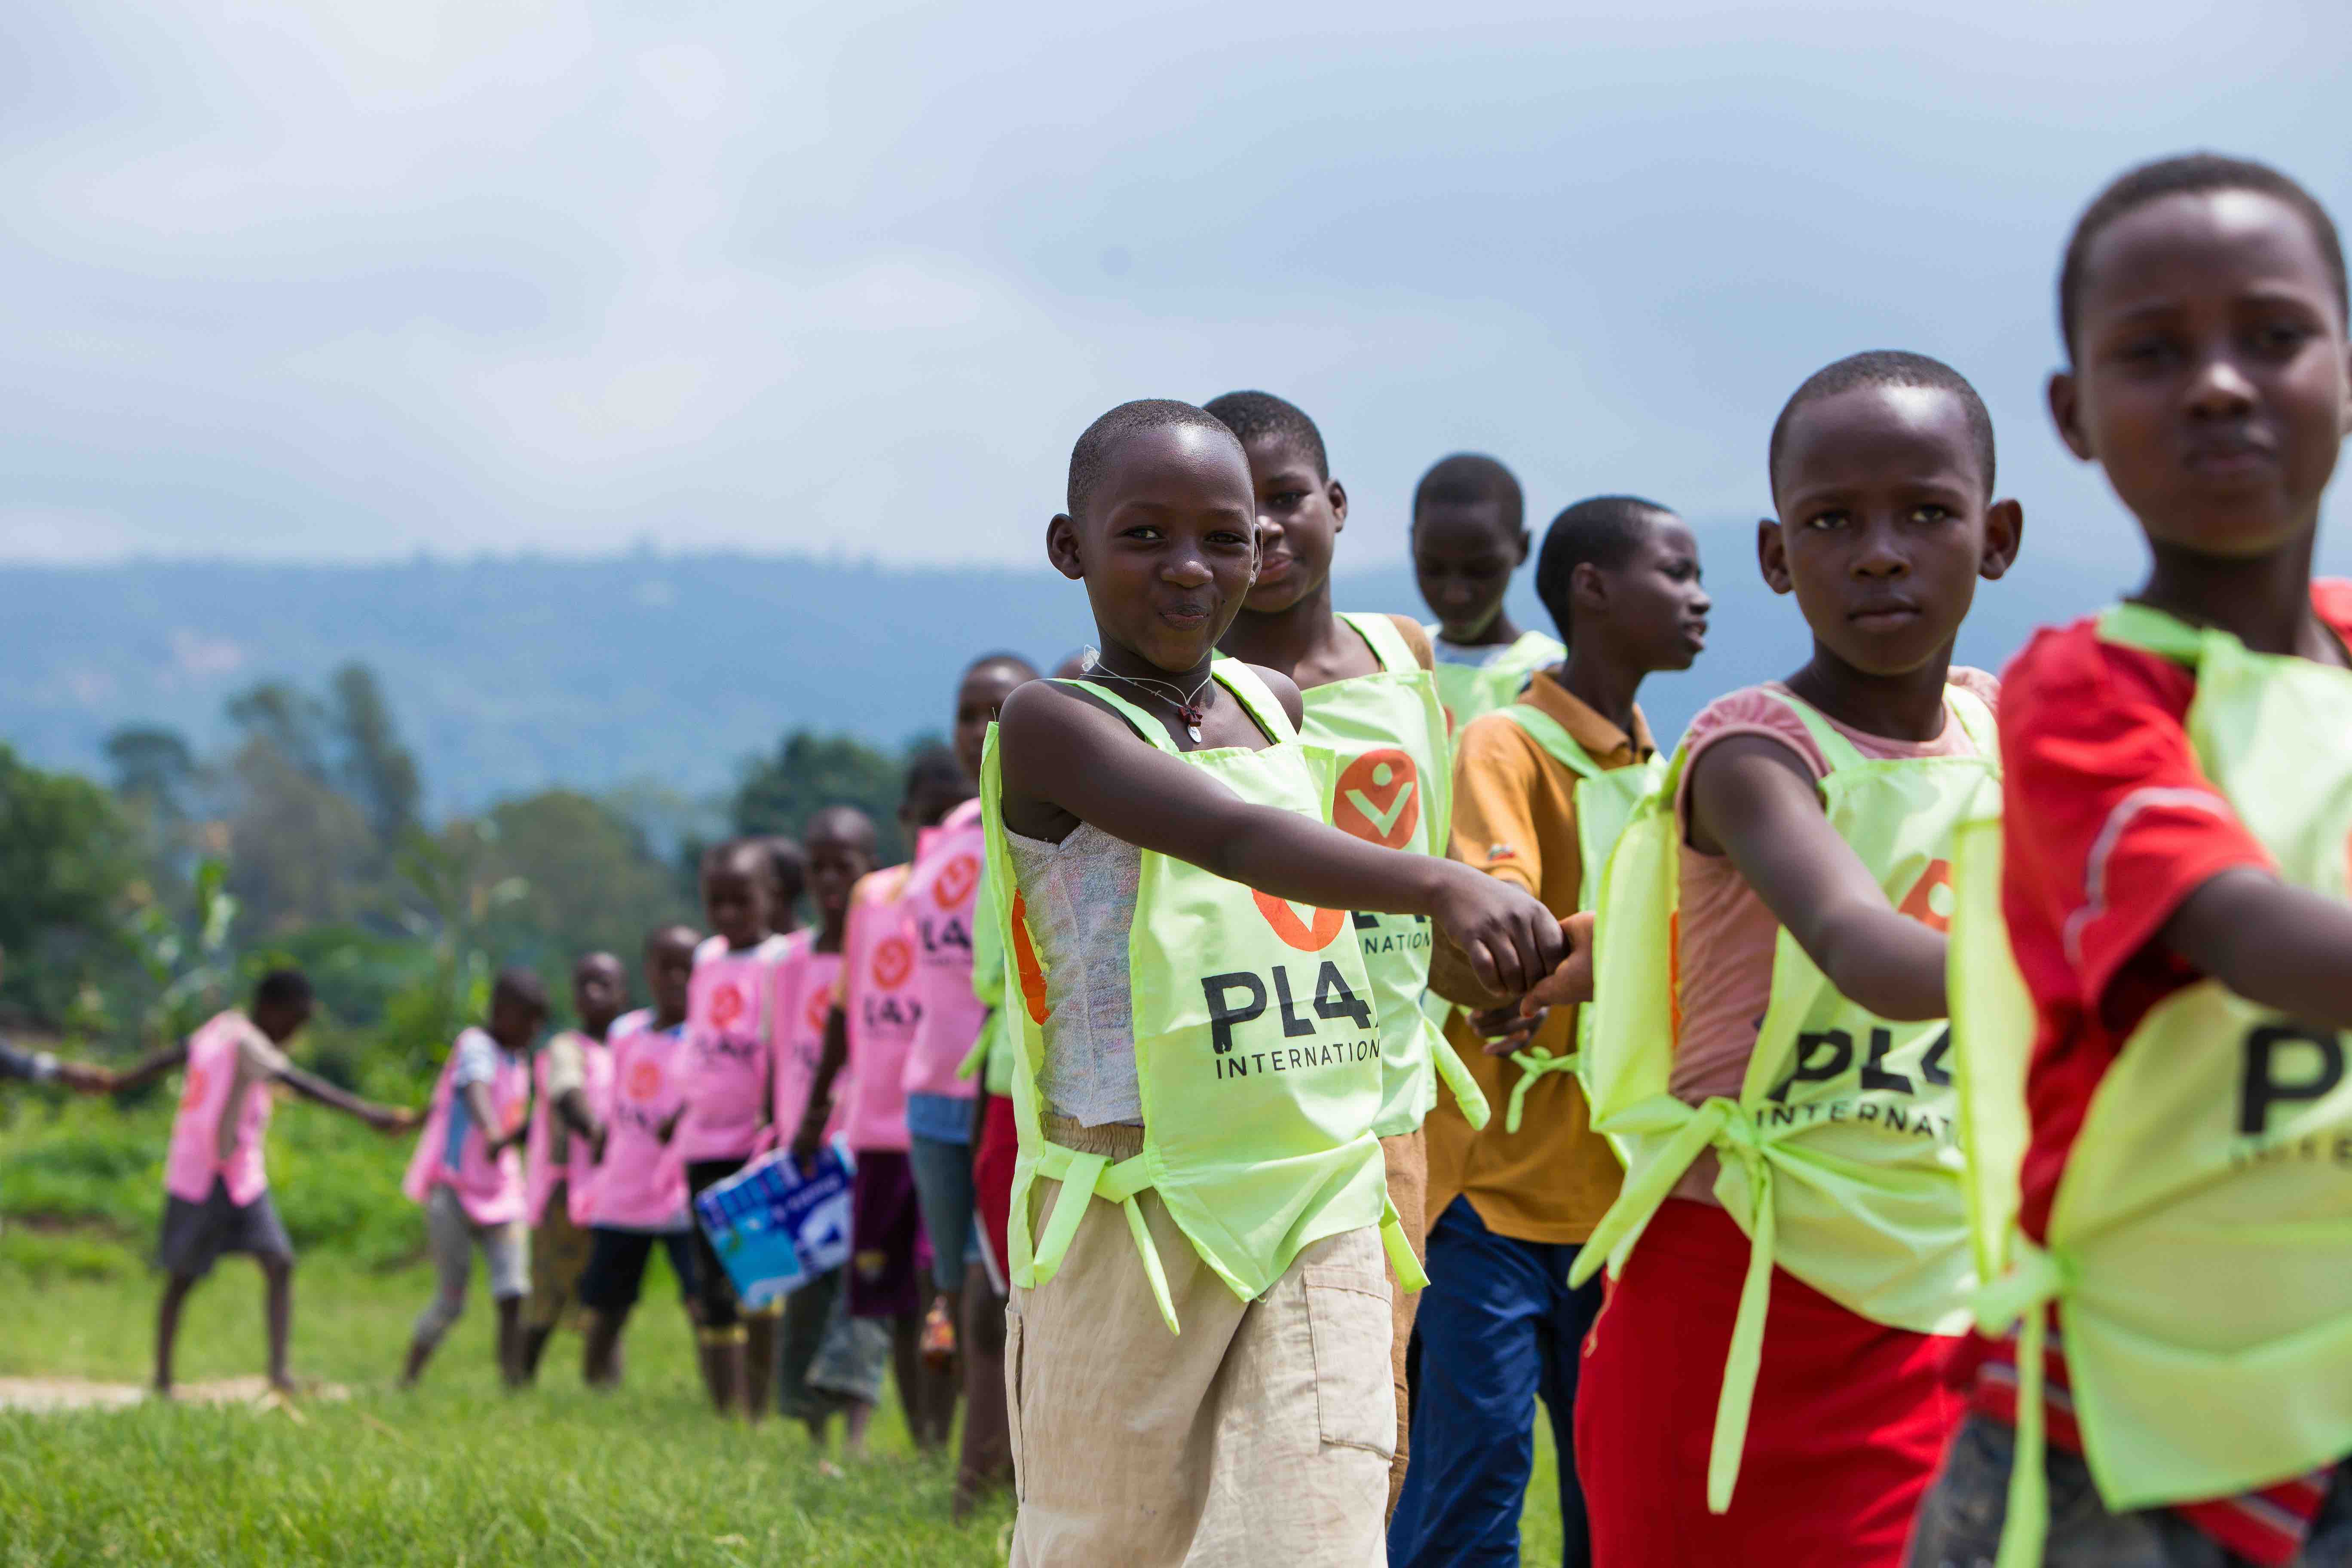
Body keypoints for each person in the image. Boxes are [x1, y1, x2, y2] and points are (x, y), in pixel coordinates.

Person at [989, 398, 1573, 1566]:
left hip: (1313, 1188)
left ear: (1262, 548)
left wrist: (1480, 953)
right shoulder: (1055, 727)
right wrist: (1438, 884)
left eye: (1224, 535)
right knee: (1108, 1539)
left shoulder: (1276, 707)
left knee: (1315, 1525)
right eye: (1144, 536)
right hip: (1131, 1200)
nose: (1190, 568)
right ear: (1071, 550)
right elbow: (1236, 842)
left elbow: (1300, 917)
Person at [1911, 153, 2352, 1568]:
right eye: (2154, 352)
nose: (2220, 384)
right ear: (2074, 414)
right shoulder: (2086, 693)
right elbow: (2259, 940)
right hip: (2129, 1444)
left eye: (2275, 336)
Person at [1562, 352, 2021, 1568]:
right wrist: (2120, 954)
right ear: (1778, 558)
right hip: (1736, 1287)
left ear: (1999, 536)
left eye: (1927, 512)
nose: (1881, 551)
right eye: (1833, 522)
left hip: (1943, 1284)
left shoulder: (2005, 735)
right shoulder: (1753, 754)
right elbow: (1861, 945)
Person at [1394, 496, 1710, 1567]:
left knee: (1613, 1496)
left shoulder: (1660, 767)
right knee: (1471, 1486)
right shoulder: (1506, 742)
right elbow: (1504, 932)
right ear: (1590, 588)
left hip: (1625, 1189)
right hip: (1493, 1192)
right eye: (1674, 572)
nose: (1698, 596)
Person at [1207, 386, 1479, 1517]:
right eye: (1236, 514)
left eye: (1286, 501)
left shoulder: (1404, 657)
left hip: (1386, 1102)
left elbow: (1439, 855)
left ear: (1337, 505)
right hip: (1241, 1100)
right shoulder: (1182, 692)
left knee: (1362, 1414)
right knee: (1227, 1410)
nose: (1265, 534)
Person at [106, 968, 413, 1396]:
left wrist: (122, 1080)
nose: (297, 1030)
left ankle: (278, 1373)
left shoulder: (222, 1027)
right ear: (271, 1009)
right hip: (201, 1173)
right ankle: (162, 1379)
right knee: (182, 1276)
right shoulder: (247, 1039)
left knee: (279, 1260)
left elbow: (174, 1055)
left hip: (240, 1175)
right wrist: (368, 1114)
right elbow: (297, 1083)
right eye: (296, 1019)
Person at [793, 752, 970, 1454]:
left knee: (942, 1285)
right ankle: (925, 1437)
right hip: (876, 1127)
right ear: (905, 820)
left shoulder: (977, 886)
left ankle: (948, 1431)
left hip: (946, 1111)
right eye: (928, 819)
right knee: (889, 1296)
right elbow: (844, 1007)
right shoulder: (874, 896)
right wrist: (815, 1107)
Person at [901, 654, 1038, 1510]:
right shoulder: (944, 834)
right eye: (966, 710)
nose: (979, 726)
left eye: (1001, 707)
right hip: (934, 1088)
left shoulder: (1027, 820)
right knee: (955, 1286)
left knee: (1003, 1287)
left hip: (1008, 1081)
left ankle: (995, 1477)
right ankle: (971, 1461)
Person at [774, 806, 891, 1467]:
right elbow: (783, 1053)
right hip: (805, 1149)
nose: (828, 880)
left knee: (864, 1294)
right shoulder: (789, 963)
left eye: (842, 867)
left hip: (866, 1143)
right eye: (816, 867)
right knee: (808, 1291)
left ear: (867, 868)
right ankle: (810, 1432)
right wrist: (785, 1127)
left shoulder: (883, 945)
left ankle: (856, 1438)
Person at [677, 838, 795, 1419]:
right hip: (701, 1139)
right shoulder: (705, 959)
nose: (726, 915)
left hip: (754, 1144)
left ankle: (760, 1404)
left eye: (740, 901)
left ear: (770, 898)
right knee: (711, 1282)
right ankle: (725, 1410)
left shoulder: (782, 959)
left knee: (761, 1275)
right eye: (715, 902)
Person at [401, 968, 547, 1389]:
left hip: (503, 1193)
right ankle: (409, 1378)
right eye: (527, 1019)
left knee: (514, 1290)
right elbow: (475, 1090)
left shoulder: (519, 1060)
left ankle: (511, 1382)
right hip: (455, 1191)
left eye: (539, 1022)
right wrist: (495, 1134)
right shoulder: (476, 1046)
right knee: (451, 1301)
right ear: (501, 1012)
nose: (533, 1030)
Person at [576, 926, 703, 1388]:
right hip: (625, 1191)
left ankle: (725, 1400)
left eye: (685, 970)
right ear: (647, 971)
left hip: (678, 1194)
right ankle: (594, 1388)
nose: (675, 979)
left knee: (701, 1300)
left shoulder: (704, 1038)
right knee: (608, 1303)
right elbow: (613, 1097)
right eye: (664, 968)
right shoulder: (626, 1032)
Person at [518, 951, 624, 1382]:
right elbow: (567, 1092)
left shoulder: (630, 1046)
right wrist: (595, 1132)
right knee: (549, 1292)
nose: (594, 994)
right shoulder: (566, 1048)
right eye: (585, 985)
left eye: (605, 984)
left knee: (608, 1294)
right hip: (565, 1192)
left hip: (615, 1194)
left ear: (624, 994)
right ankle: (519, 1377)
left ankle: (604, 1384)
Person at [1413, 453, 1566, 729]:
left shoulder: (1550, 677)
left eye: (1480, 570)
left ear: (1523, 548)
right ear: (1413, 543)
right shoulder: (1397, 663)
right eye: (1433, 568)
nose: (1455, 595)